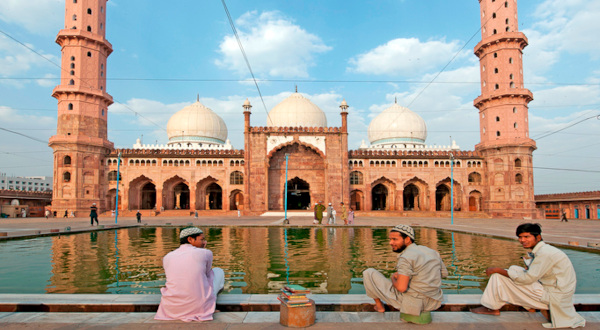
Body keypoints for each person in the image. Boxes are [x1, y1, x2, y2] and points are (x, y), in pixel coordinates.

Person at [470, 223, 586, 329]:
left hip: (554, 295)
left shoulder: (545, 253)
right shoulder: (545, 250)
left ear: (538, 237)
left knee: (498, 276)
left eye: (526, 237)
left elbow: (527, 279)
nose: (522, 240)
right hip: (554, 289)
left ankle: (491, 307)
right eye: (520, 237)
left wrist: (497, 269)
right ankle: (528, 306)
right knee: (514, 269)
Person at [363, 224, 447, 316]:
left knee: (368, 273)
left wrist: (393, 278)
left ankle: (379, 306)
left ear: (407, 239)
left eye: (395, 239)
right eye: (390, 239)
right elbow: (444, 274)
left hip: (413, 305)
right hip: (434, 302)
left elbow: (401, 288)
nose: (391, 243)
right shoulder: (432, 252)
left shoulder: (406, 257)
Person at [155, 227, 225, 322]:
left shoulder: (167, 257)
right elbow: (208, 274)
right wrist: (203, 250)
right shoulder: (206, 253)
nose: (204, 242)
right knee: (218, 271)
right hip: (199, 306)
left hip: (171, 308)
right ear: (190, 239)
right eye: (202, 239)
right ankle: (210, 303)